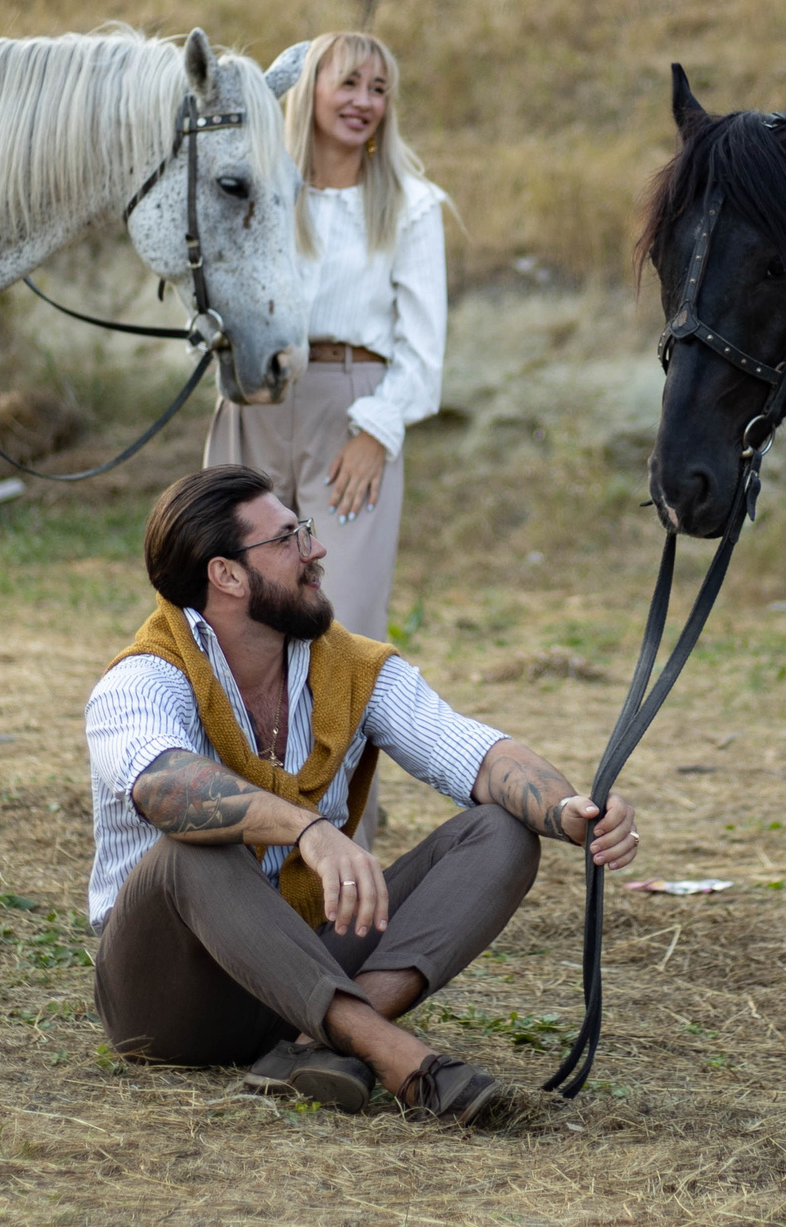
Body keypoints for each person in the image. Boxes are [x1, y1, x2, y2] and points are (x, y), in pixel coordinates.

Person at [85, 466, 639, 1124]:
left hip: (305, 973)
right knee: (192, 847)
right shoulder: (143, 678)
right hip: (169, 1000)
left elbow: (471, 749)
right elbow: (163, 786)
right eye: (289, 538)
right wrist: (307, 828)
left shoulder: (349, 664)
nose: (315, 550)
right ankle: (397, 1057)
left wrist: (567, 811)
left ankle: (315, 1044)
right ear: (227, 575)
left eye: (307, 531)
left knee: (502, 830)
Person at [207, 31, 445, 669]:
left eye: (379, 89)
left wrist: (377, 433)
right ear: (309, 90)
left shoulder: (412, 207)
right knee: (229, 599)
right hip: (253, 400)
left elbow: (423, 353)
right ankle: (233, 765)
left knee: (342, 618)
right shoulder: (261, 190)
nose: (363, 100)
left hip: (350, 413)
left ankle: (333, 770)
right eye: (348, 83)